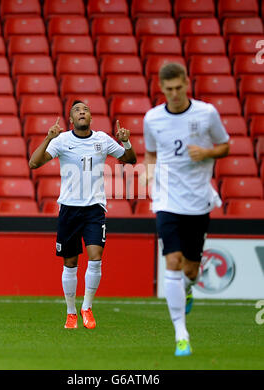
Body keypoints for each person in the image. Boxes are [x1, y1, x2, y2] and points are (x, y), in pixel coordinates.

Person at [142, 63, 230, 356]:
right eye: (169, 90)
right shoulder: (152, 119)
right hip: (167, 200)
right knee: (173, 261)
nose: (175, 94)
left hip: (198, 200)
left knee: (190, 268)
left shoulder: (206, 113)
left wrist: (207, 152)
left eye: (179, 87)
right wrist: (150, 178)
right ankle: (182, 334)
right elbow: (151, 152)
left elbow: (225, 146)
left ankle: (189, 287)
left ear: (186, 83)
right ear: (162, 89)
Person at [29, 100, 136, 329]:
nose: (82, 112)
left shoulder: (103, 140)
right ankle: (71, 313)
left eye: (85, 109)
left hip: (95, 208)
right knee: (70, 263)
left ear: (90, 117)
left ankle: (87, 307)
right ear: (70, 119)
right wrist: (48, 137)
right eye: (77, 110)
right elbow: (34, 163)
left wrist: (125, 141)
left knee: (96, 257)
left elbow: (130, 160)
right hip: (69, 208)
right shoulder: (62, 140)